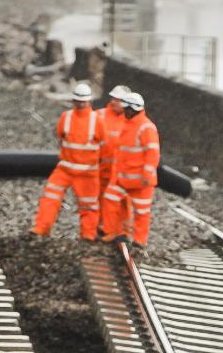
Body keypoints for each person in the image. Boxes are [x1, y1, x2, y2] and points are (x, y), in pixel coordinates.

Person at [32, 81, 106, 241]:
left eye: (83, 101)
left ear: (89, 101)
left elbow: (104, 146)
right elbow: (61, 138)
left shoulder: (97, 121)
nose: (80, 103)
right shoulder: (66, 117)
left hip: (87, 172)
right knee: (50, 198)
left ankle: (88, 236)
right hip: (65, 169)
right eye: (77, 100)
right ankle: (41, 229)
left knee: (89, 206)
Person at [101, 91, 160, 248]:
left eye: (127, 109)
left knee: (141, 211)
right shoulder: (127, 125)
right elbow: (122, 153)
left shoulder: (146, 127)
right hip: (123, 178)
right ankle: (115, 232)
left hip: (140, 181)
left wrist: (146, 175)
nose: (124, 112)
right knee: (110, 200)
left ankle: (140, 241)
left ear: (133, 110)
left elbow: (152, 153)